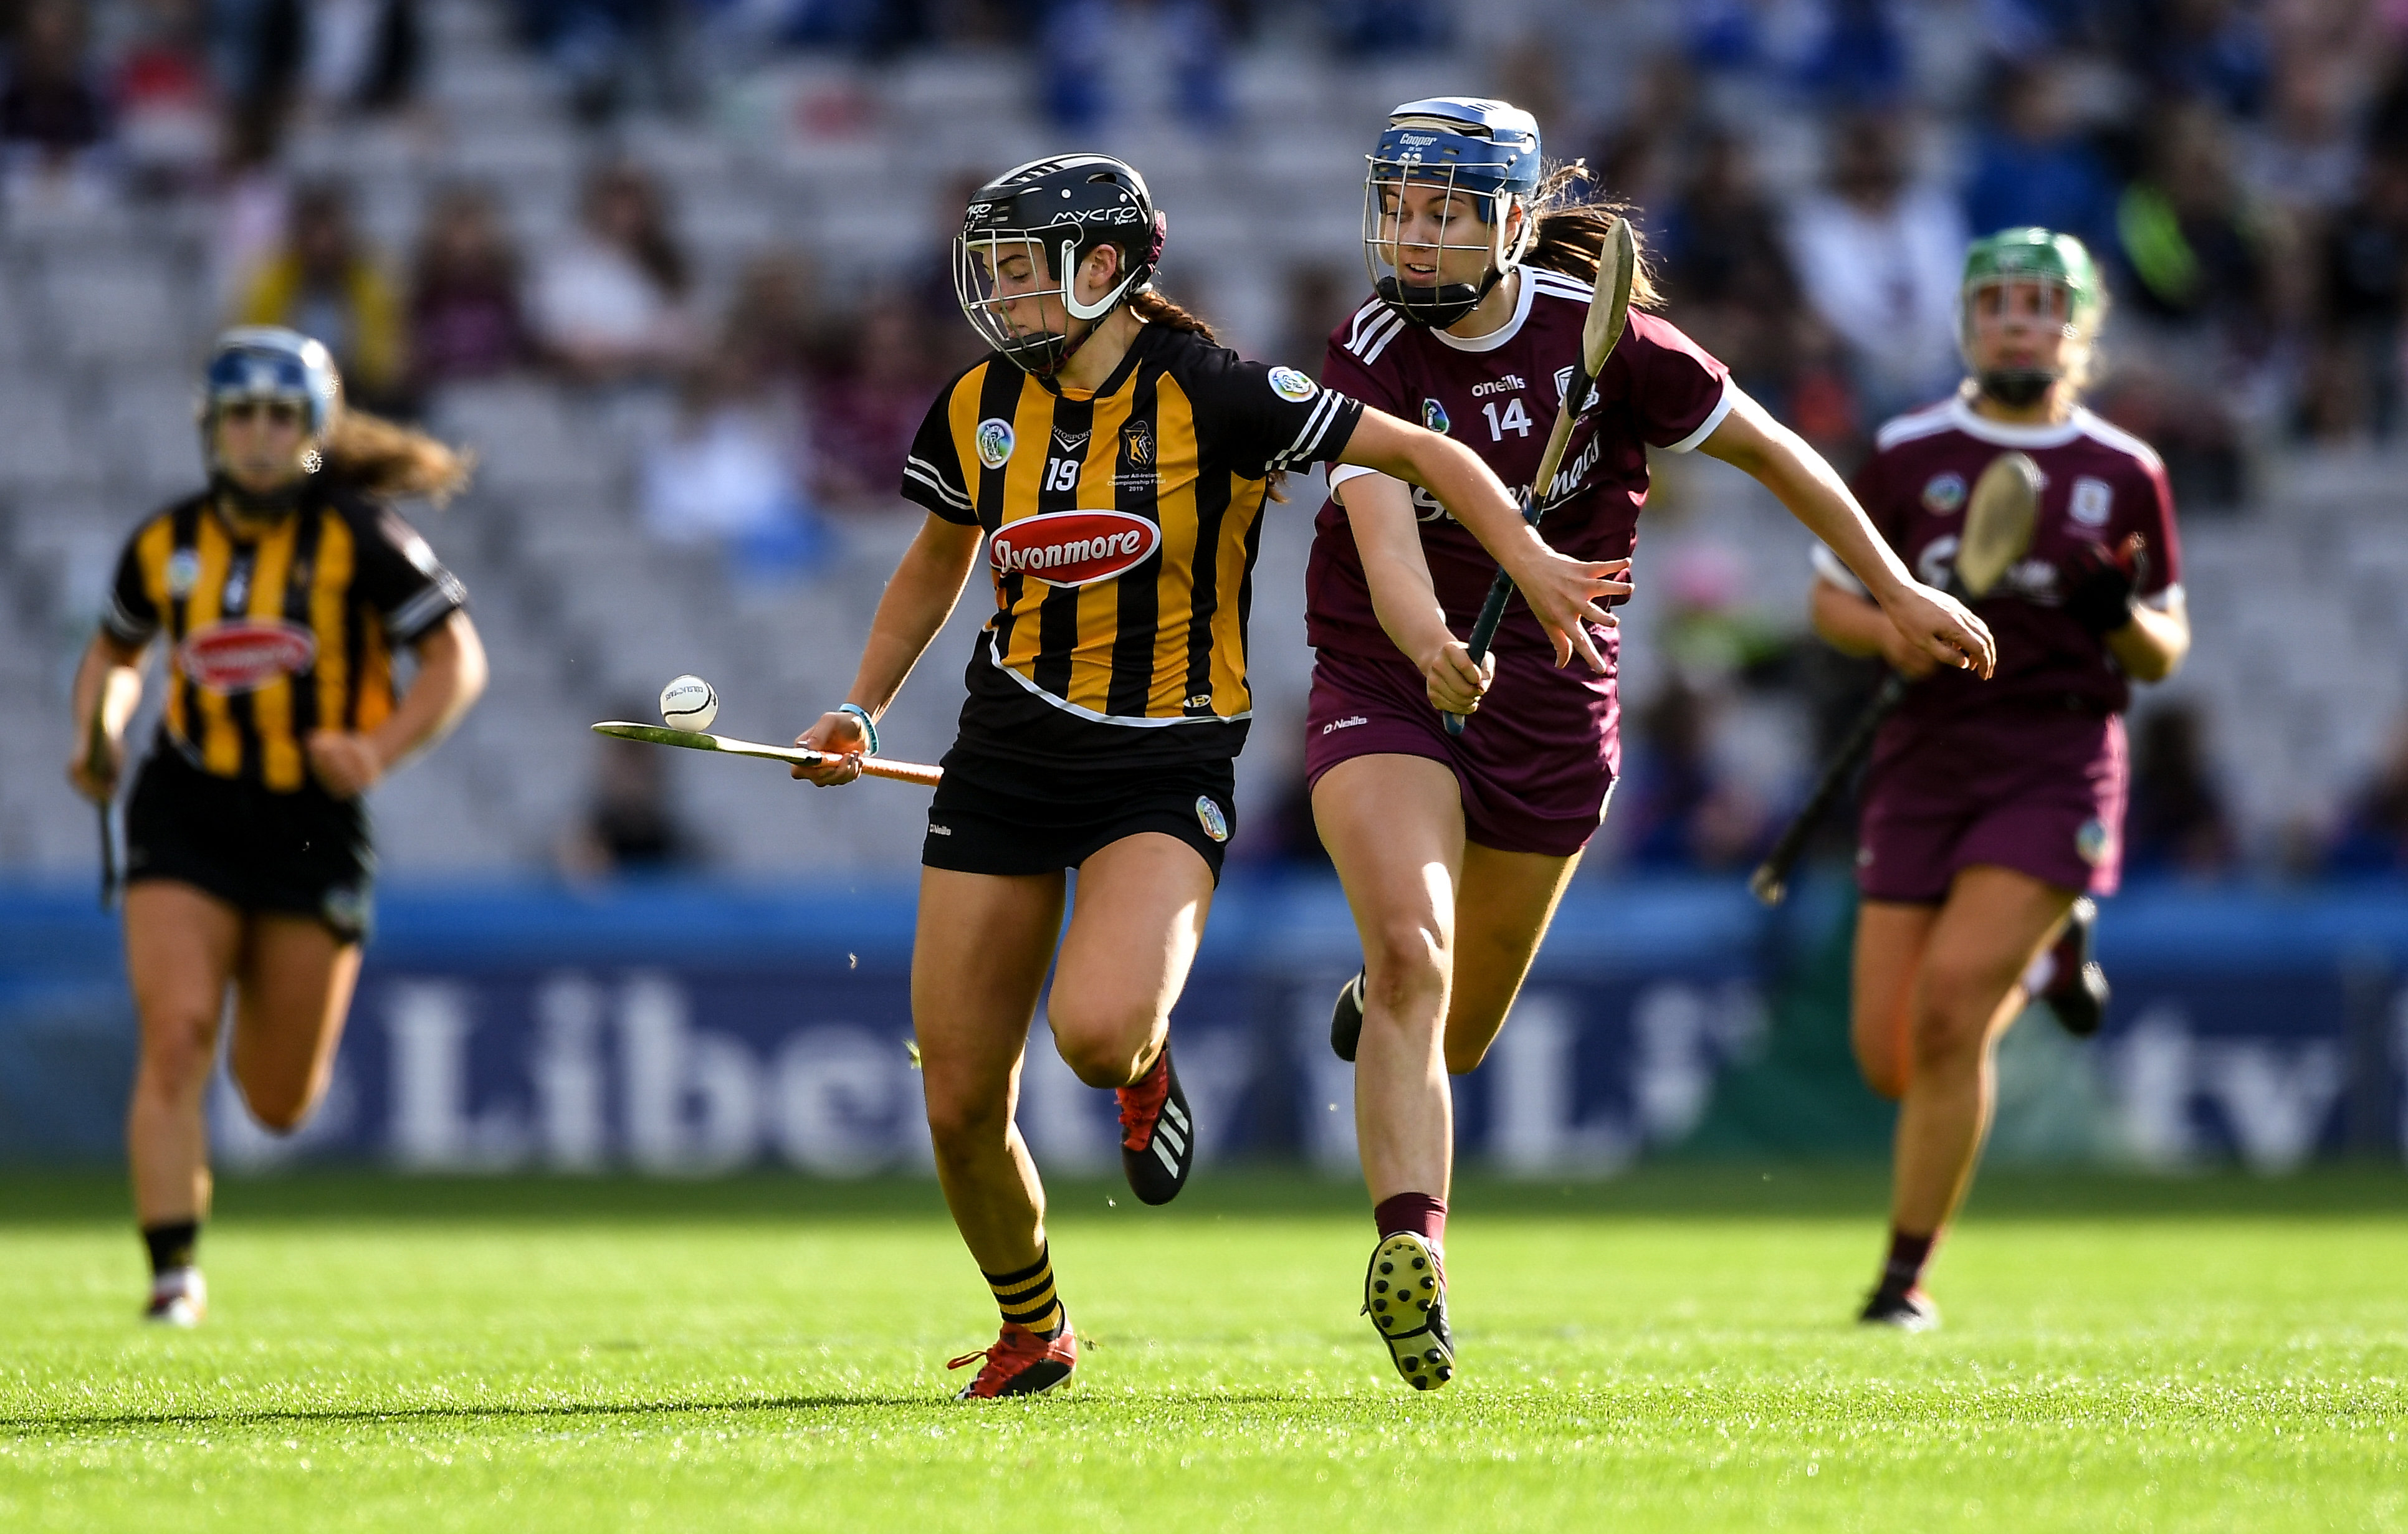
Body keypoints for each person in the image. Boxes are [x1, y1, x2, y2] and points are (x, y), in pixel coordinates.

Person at [785, 153, 1625, 1400]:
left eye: (1027, 273)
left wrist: (1532, 560)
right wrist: (860, 705)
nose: (1003, 297)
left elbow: (1420, 456)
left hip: (1162, 762)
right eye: (997, 272)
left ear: (1107, 270)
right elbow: (934, 558)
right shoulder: (977, 403)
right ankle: (1035, 1326)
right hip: (1002, 756)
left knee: (1098, 1032)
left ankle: (1144, 1072)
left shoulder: (1223, 392)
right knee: (961, 1098)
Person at [1306, 97, 1995, 1391]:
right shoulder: (1368, 346)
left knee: (1450, 1028)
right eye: (1399, 204)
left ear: (1511, 218)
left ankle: (1384, 1010)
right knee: (1414, 952)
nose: (1413, 234)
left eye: (1445, 209)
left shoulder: (1606, 340)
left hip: (1555, 708)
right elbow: (1385, 543)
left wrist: (1895, 587)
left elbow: (1779, 454)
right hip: (1386, 684)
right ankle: (1416, 1253)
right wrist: (1424, 643)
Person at [64, 327, 487, 1325]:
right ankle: (172, 1274)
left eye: (280, 415)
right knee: (173, 1037)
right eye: (240, 415)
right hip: (188, 806)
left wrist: (378, 749)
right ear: (212, 427)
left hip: (312, 827)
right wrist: (100, 733)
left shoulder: (364, 537)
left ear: (313, 430)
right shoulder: (166, 543)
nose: (258, 436)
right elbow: (115, 656)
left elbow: (456, 659)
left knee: (277, 1098)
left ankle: (189, 1239)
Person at [1807, 229, 2188, 1330]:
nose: (2019, 323)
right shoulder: (1908, 450)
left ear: (2079, 327)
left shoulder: (2125, 471)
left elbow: (2165, 650)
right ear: (1969, 322)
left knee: (1948, 1019)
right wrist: (1893, 636)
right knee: (1889, 1055)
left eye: (2041, 305)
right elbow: (1830, 599)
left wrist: (2116, 617)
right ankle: (2054, 948)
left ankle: (1901, 1279)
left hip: (2055, 759)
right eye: (1998, 304)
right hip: (1925, 757)